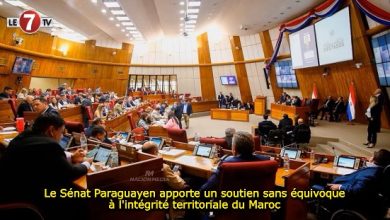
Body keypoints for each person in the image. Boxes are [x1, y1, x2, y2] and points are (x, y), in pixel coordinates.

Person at [0, 114, 91, 219]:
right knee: (81, 196)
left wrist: (72, 158)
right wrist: (87, 163)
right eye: (61, 132)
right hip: (24, 200)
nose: (62, 137)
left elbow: (42, 159)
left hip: (12, 190)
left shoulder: (25, 136)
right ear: (51, 130)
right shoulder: (49, 144)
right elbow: (70, 173)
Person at [324, 149, 390, 219]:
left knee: (315, 188)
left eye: (372, 156)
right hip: (351, 188)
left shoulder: (371, 173)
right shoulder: (378, 170)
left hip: (343, 195)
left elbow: (358, 189)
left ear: (373, 159)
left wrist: (340, 187)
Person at [200, 131, 270, 191]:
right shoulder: (266, 161)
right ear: (253, 147)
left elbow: (205, 189)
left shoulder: (226, 165)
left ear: (234, 149)